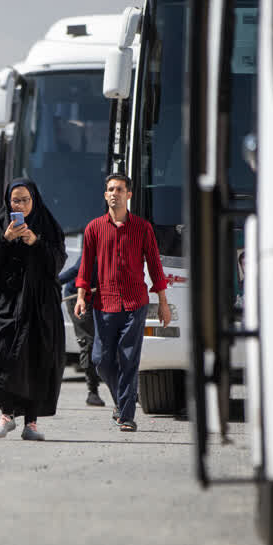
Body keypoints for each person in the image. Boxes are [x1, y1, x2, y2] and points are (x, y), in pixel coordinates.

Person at [75, 173, 170, 433]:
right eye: (110, 189)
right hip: (104, 304)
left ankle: (126, 415)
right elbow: (85, 265)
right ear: (105, 195)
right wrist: (82, 295)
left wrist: (163, 302)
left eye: (119, 189)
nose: (114, 193)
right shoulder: (94, 228)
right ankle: (122, 400)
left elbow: (155, 264)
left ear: (129, 194)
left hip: (134, 303)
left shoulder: (142, 227)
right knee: (101, 360)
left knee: (129, 359)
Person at [0, 179, 66, 441]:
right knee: (2, 353)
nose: (19, 205)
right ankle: (6, 415)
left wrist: (36, 242)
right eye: (15, 200)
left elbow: (57, 263)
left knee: (36, 360)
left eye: (25, 200)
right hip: (5, 304)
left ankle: (31, 422)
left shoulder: (47, 227)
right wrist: (6, 240)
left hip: (39, 307)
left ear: (34, 200)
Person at [59, 254, 105, 407]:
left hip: (101, 296)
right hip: (77, 297)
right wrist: (53, 283)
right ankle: (92, 391)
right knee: (88, 341)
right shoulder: (97, 244)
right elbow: (76, 270)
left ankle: (127, 390)